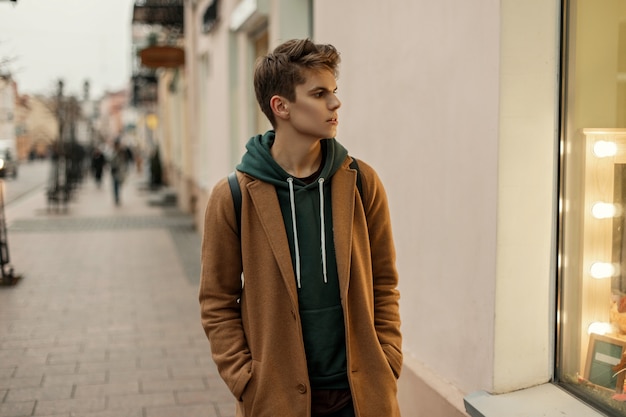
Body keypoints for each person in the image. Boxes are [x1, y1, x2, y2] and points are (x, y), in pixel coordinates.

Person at [199, 38, 402, 417]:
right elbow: (217, 302)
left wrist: (387, 358)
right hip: (277, 398)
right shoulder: (232, 197)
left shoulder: (361, 182)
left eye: (334, 91)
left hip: (360, 396)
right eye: (320, 93)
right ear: (282, 106)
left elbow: (385, 283)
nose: (335, 103)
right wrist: (245, 378)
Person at [109, 140, 128, 205]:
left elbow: (123, 161)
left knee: (119, 185)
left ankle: (117, 197)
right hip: (114, 171)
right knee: (115, 185)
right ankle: (117, 198)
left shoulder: (121, 152)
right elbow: (111, 160)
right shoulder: (113, 152)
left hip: (119, 171)